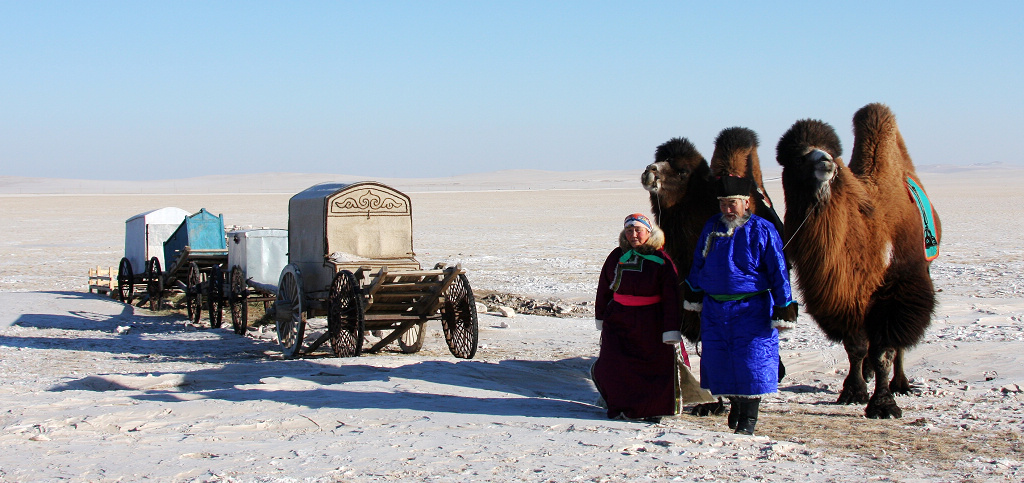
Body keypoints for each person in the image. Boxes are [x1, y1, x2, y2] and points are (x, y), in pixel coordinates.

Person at [683, 176, 798, 435]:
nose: (727, 209)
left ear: (746, 202)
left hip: (752, 308)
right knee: (719, 359)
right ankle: (735, 403)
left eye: (732, 203)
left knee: (751, 362)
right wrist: (694, 293)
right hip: (716, 308)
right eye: (723, 204)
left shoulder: (763, 229)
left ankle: (748, 418)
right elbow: (698, 262)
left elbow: (779, 270)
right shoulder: (712, 226)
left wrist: (783, 306)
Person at [593, 213, 685, 421]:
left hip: (651, 321)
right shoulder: (617, 256)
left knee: (651, 368)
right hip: (619, 319)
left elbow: (672, 296)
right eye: (629, 230)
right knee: (615, 365)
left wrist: (671, 329)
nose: (633, 235)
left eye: (638, 230)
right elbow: (603, 289)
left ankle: (652, 410)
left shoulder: (661, 259)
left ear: (648, 232)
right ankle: (620, 407)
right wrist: (601, 316)